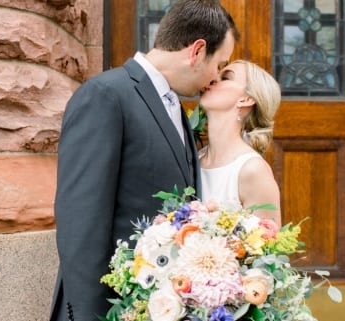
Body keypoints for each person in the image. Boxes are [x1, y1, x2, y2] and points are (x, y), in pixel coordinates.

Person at [50, 1, 240, 320]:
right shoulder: (106, 95)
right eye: (219, 65)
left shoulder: (178, 109)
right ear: (196, 50)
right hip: (107, 308)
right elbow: (81, 221)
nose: (216, 78)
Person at [198, 60, 282, 226]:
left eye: (226, 77)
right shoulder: (195, 159)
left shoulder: (253, 170)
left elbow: (270, 249)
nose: (213, 78)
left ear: (246, 99)